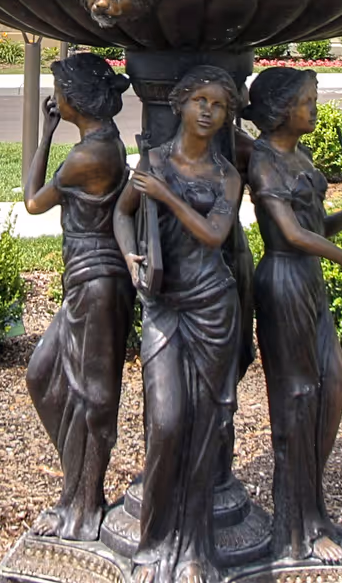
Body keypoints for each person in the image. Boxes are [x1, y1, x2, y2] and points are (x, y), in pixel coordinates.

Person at [243, 67, 342, 567]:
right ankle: (295, 526)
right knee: (298, 402)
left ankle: (312, 505)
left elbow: (315, 226)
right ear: (282, 109)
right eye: (308, 99)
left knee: (335, 388)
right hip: (283, 281)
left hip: (309, 280)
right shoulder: (263, 162)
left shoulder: (298, 155)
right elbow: (288, 232)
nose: (315, 107)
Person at [114, 65, 244, 583]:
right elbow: (122, 214)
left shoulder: (226, 176)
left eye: (219, 104)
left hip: (214, 306)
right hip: (165, 306)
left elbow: (215, 236)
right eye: (200, 101)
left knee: (204, 428)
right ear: (180, 104)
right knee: (166, 424)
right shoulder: (151, 160)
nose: (209, 111)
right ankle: (154, 541)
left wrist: (166, 195)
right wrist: (130, 258)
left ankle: (194, 550)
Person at [23, 52, 135, 542]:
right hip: (86, 279)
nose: (56, 97)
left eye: (59, 89)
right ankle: (78, 489)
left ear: (76, 99)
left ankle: (85, 503)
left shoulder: (89, 156)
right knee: (44, 375)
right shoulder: (98, 143)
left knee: (92, 395)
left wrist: (43, 135)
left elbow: (31, 202)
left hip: (97, 280)